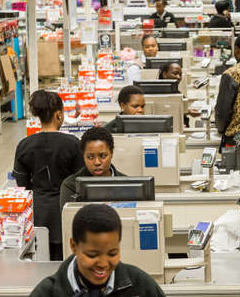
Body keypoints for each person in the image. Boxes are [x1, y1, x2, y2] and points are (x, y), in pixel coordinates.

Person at [29, 203, 166, 297]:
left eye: (112, 253)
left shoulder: (140, 286)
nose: (103, 264)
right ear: (74, 246)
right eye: (92, 255)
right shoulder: (47, 293)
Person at [12, 90, 84, 261]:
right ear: (59, 115)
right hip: (65, 213)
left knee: (40, 262)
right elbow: (81, 183)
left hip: (36, 217)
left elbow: (22, 185)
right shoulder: (73, 144)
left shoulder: (24, 145)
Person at [60, 127, 126, 209]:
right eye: (90, 157)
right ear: (83, 156)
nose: (97, 162)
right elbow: (69, 219)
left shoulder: (127, 184)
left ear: (111, 153)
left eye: (103, 156)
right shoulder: (71, 185)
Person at [158, 62, 200, 127]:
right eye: (175, 73)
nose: (178, 77)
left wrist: (187, 110)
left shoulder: (178, 93)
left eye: (180, 75)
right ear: (165, 74)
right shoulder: (157, 93)